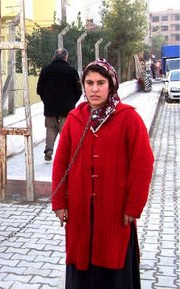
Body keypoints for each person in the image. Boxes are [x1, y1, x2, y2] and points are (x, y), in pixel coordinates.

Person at [51, 58, 154, 289]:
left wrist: (133, 206)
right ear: (83, 85)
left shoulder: (128, 118)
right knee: (81, 264)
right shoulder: (75, 118)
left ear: (111, 85)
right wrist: (59, 201)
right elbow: (60, 163)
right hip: (79, 210)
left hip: (115, 211)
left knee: (113, 264)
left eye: (100, 83)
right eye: (89, 83)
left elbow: (143, 164)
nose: (94, 89)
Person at [36, 48, 82, 161]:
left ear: (54, 56)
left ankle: (49, 150)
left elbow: (39, 89)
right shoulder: (72, 71)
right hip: (67, 107)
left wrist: (46, 100)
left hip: (50, 106)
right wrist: (72, 102)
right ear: (66, 57)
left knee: (51, 128)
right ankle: (66, 154)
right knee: (65, 131)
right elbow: (79, 91)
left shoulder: (46, 70)